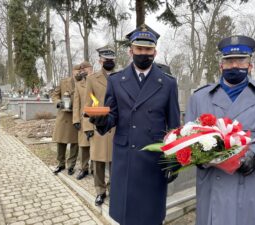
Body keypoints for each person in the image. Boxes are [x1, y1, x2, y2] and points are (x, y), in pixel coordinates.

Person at [185, 35, 255, 225]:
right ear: (221, 65)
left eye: (241, 60)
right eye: (229, 61)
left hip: (249, 182)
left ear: (250, 65)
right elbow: (186, 140)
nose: (234, 65)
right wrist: (200, 156)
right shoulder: (199, 98)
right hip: (212, 183)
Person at [89, 24, 180, 225]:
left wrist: (174, 162)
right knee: (126, 216)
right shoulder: (116, 80)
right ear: (131, 51)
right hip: (125, 158)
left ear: (155, 51)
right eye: (139, 49)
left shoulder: (168, 83)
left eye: (148, 49)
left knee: (150, 216)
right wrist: (101, 121)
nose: (144, 53)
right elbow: (111, 116)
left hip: (154, 159)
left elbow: (174, 127)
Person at [83, 45, 116, 206]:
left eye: (111, 59)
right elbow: (87, 104)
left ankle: (113, 189)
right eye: (106, 59)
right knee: (98, 162)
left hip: (116, 126)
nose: (109, 62)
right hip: (98, 126)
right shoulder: (92, 79)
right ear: (100, 61)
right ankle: (100, 191)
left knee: (115, 162)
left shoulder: (120, 77)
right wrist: (88, 127)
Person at [52, 65, 80, 175]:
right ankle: (60, 164)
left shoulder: (84, 82)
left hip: (76, 115)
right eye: (77, 70)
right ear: (73, 71)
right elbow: (55, 95)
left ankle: (71, 166)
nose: (78, 72)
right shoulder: (63, 82)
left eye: (80, 71)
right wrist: (58, 102)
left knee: (75, 143)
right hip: (64, 116)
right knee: (61, 141)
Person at [73, 61, 94, 180]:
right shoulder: (78, 85)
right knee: (84, 147)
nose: (83, 71)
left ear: (91, 68)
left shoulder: (98, 81)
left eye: (86, 68)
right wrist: (76, 120)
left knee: (95, 146)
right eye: (82, 70)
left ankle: (95, 169)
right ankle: (84, 168)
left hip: (96, 120)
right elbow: (76, 103)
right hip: (83, 119)